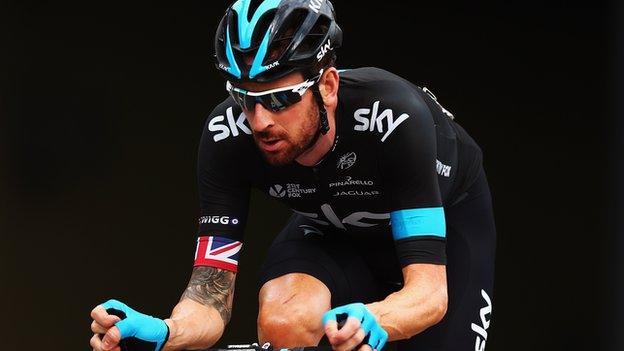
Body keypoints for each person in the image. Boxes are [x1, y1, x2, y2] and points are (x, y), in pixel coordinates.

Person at [89, 0, 497, 350]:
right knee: (286, 321)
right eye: (245, 99)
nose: (260, 121)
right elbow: (210, 300)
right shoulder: (226, 136)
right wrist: (166, 333)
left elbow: (429, 293)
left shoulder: (393, 118)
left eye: (280, 98)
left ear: (329, 87)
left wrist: (374, 321)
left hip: (448, 223)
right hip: (335, 227)